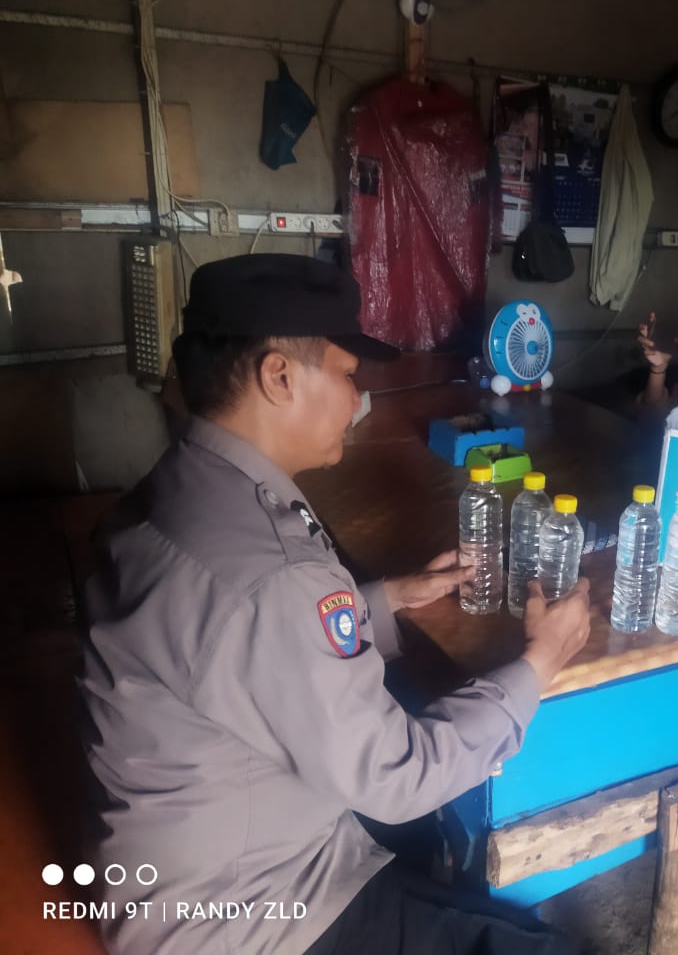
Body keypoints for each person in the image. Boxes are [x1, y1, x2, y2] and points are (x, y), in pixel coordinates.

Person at [79, 254, 591, 955]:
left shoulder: (176, 489)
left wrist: (384, 600)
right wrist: (542, 661)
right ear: (279, 377)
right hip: (243, 916)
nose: (357, 400)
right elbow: (398, 776)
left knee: (432, 833)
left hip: (174, 868)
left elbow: (241, 642)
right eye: (347, 375)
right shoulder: (275, 573)